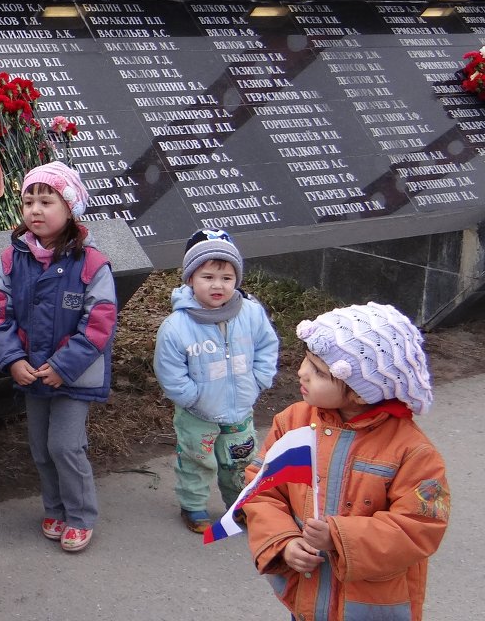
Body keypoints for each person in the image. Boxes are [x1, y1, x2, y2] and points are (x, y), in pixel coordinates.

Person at [242, 302, 450, 620]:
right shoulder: (292, 422)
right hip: (307, 595)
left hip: (369, 606)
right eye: (306, 361)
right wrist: (282, 541)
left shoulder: (413, 451)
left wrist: (339, 537)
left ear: (361, 392)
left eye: (319, 371)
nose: (302, 372)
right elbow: (262, 488)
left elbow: (420, 526)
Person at [0, 161, 118, 552]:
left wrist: (62, 366)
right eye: (28, 201)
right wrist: (12, 360)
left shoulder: (92, 264)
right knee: (41, 447)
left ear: (71, 208)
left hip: (73, 376)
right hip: (31, 372)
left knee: (65, 446)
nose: (35, 210)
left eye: (47, 201)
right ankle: (55, 508)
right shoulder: (12, 260)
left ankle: (80, 515)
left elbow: (99, 322)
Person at [153, 229, 279, 534]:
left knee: (241, 460)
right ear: (190, 279)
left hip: (240, 409)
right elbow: (170, 370)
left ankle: (239, 505)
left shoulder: (250, 313)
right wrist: (191, 397)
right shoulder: (177, 326)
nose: (217, 285)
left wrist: (259, 379)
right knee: (197, 461)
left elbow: (267, 345)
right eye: (208, 277)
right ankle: (194, 505)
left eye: (226, 277)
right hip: (198, 412)